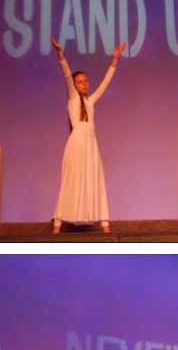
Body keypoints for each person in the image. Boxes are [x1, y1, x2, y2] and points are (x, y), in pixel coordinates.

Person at [51, 39, 126, 234]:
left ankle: (105, 224)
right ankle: (57, 225)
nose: (85, 84)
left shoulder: (90, 101)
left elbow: (105, 83)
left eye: (86, 81)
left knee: (95, 179)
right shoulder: (73, 99)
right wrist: (61, 55)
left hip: (91, 145)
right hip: (77, 144)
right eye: (80, 81)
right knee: (71, 180)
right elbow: (67, 75)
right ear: (75, 86)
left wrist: (114, 60)